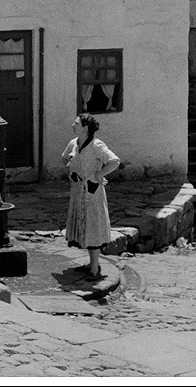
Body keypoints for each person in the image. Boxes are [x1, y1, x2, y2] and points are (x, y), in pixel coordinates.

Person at [62, 114, 120, 281]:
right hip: (78, 191)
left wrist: (100, 174)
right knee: (83, 227)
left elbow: (114, 161)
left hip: (92, 192)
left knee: (93, 226)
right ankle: (90, 263)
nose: (73, 125)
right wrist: (72, 168)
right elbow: (64, 157)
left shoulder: (97, 145)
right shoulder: (74, 143)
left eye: (76, 123)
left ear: (85, 128)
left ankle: (95, 269)